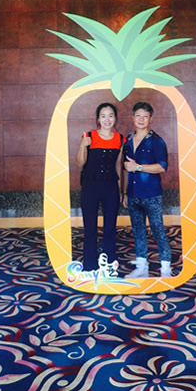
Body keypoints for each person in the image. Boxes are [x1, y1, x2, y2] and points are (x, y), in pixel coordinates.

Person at [122, 101, 172, 278]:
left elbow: (162, 167)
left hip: (151, 194)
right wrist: (124, 193)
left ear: (151, 119)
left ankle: (166, 269)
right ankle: (142, 267)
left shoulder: (156, 141)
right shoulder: (128, 140)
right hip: (133, 194)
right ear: (133, 117)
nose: (141, 119)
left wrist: (139, 167)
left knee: (158, 230)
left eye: (145, 116)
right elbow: (126, 169)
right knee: (138, 231)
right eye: (138, 116)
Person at [76, 102, 125, 271]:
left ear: (115, 118)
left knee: (110, 227)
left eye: (110, 116)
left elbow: (118, 165)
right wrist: (83, 145)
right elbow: (80, 162)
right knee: (90, 227)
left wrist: (121, 190)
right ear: (98, 119)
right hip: (90, 187)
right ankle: (89, 265)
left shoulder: (120, 139)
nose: (107, 120)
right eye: (103, 116)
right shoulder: (88, 136)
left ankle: (110, 262)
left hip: (110, 187)